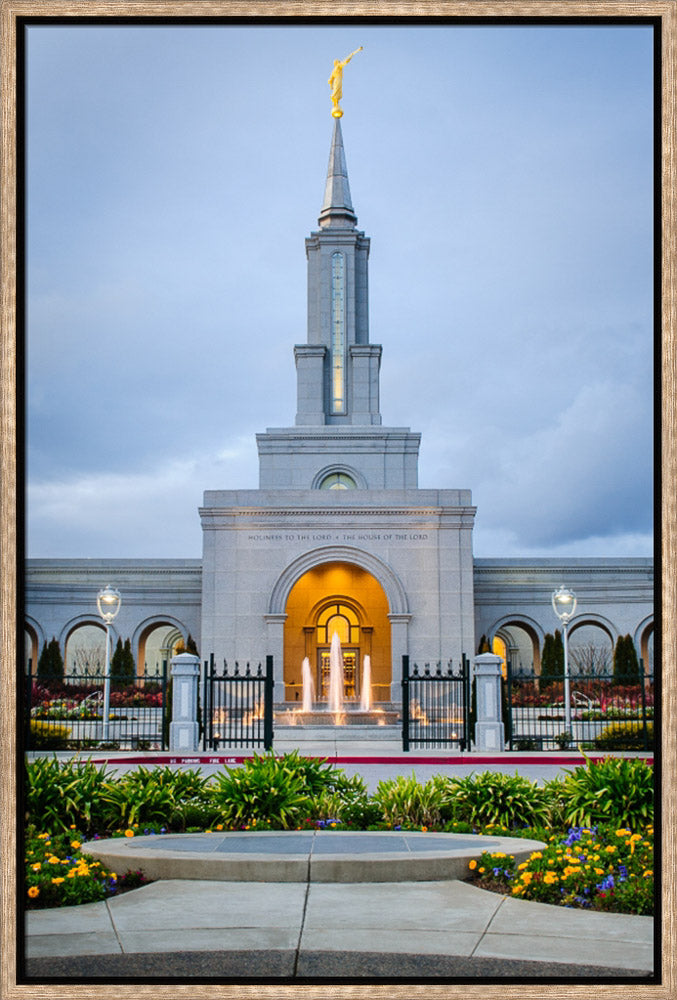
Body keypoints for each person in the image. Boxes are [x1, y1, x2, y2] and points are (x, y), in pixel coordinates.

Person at [329, 47, 362, 115]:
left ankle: (336, 102)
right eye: (337, 62)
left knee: (338, 91)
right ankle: (335, 102)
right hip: (337, 80)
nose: (338, 62)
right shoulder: (337, 67)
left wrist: (350, 56)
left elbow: (345, 62)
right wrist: (331, 85)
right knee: (336, 90)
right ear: (336, 63)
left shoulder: (336, 68)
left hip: (338, 79)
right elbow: (330, 79)